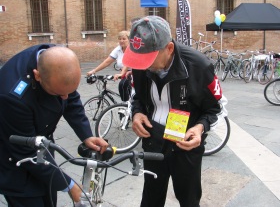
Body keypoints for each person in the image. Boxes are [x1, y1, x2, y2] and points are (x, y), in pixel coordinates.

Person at [123, 16, 223, 207]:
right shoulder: (139, 64)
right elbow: (137, 96)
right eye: (138, 59)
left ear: (169, 49)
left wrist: (201, 128)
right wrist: (136, 113)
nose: (142, 66)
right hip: (153, 140)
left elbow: (216, 108)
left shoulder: (198, 66)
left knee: (189, 199)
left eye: (148, 59)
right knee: (151, 198)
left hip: (185, 143)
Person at [0, 44, 109, 206]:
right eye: (59, 94)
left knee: (50, 197)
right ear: (37, 76)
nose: (65, 97)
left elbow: (71, 101)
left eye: (69, 91)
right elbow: (26, 152)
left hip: (43, 151)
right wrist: (70, 185)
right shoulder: (13, 97)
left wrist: (87, 136)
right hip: (18, 166)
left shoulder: (58, 60)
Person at [87, 31, 132, 101]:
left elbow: (126, 64)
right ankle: (126, 104)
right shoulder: (118, 49)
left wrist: (121, 74)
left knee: (122, 85)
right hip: (123, 74)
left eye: (124, 39)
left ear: (129, 40)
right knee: (124, 89)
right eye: (120, 39)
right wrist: (94, 71)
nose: (121, 41)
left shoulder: (131, 49)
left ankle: (125, 106)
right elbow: (107, 62)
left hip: (134, 73)